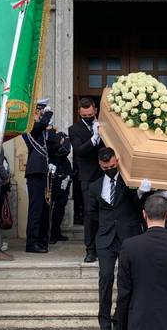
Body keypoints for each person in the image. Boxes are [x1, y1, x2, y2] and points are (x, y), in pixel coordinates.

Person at [116, 195, 167, 330]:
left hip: (139, 319)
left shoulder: (129, 246)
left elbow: (123, 293)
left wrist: (122, 325)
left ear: (144, 214)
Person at [89, 147, 142, 330]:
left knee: (126, 281)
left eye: (112, 165)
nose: (109, 169)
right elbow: (92, 215)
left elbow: (138, 207)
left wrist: (140, 192)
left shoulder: (128, 183)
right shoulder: (95, 186)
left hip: (128, 237)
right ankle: (104, 323)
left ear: (117, 161)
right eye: (105, 167)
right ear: (100, 165)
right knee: (105, 278)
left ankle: (120, 319)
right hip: (105, 240)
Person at [68, 97, 103, 263]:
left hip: (106, 176)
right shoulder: (74, 129)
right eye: (84, 115)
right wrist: (94, 138)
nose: (88, 117)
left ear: (95, 110)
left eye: (90, 114)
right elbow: (80, 150)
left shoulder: (105, 125)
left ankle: (105, 247)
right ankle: (90, 250)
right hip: (87, 178)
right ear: (79, 113)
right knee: (90, 214)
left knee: (106, 213)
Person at [23, 99, 58, 253]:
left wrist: (50, 128)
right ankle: (32, 242)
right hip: (35, 171)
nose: (42, 114)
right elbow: (38, 126)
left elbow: (56, 144)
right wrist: (47, 115)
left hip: (45, 172)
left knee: (45, 209)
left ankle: (43, 240)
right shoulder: (30, 126)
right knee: (36, 208)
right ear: (36, 111)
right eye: (40, 111)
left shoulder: (44, 129)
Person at [49, 131, 73, 244]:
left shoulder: (63, 143)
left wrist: (66, 139)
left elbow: (66, 150)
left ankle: (56, 233)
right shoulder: (53, 147)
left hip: (64, 181)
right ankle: (51, 235)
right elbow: (62, 150)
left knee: (60, 209)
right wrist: (62, 140)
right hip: (55, 182)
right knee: (51, 209)